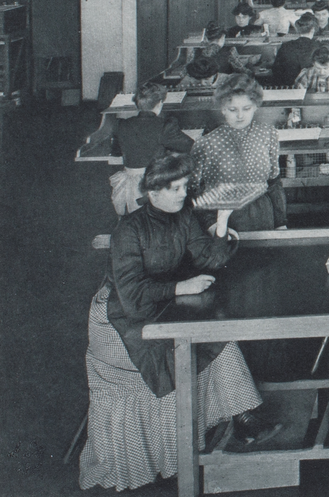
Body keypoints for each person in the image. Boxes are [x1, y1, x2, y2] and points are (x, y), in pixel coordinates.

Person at [80, 155, 279, 491]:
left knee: (217, 339)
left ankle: (242, 417)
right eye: (175, 189)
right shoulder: (129, 230)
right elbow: (131, 294)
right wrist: (180, 287)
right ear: (152, 192)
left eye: (185, 187)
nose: (183, 194)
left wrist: (222, 220)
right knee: (176, 355)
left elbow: (210, 258)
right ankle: (177, 455)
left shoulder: (184, 215)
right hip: (119, 319)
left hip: (162, 307)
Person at [189, 75, 285, 232]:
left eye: (246, 108)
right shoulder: (206, 143)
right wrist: (212, 225)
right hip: (223, 217)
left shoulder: (268, 134)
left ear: (255, 106)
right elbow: (193, 190)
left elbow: (274, 182)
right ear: (223, 109)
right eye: (233, 110)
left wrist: (281, 222)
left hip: (262, 214)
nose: (240, 116)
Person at [110, 83, 195, 216]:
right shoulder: (165, 126)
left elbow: (116, 151)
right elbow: (191, 146)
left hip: (130, 186)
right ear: (160, 103)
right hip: (154, 182)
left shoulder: (122, 124)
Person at [271, 13, 320, 87]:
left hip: (288, 87)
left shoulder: (285, 46)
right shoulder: (318, 46)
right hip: (311, 87)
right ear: (313, 29)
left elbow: (276, 70)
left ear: (297, 29)